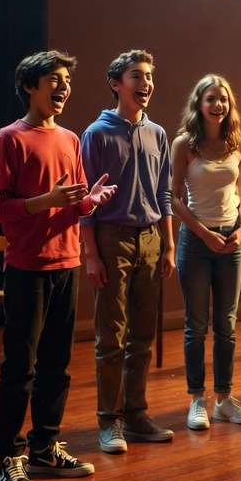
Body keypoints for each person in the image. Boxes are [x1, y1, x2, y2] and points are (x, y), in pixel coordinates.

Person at [0, 50, 116, 481]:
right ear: (29, 86)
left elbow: (72, 203)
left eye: (66, 81)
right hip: (26, 268)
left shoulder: (70, 138)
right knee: (19, 366)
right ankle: (9, 455)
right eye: (53, 81)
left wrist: (90, 202)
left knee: (57, 366)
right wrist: (48, 200)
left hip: (67, 263)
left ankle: (44, 445)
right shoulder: (10, 138)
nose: (62, 88)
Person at [81, 49, 176, 455]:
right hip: (111, 239)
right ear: (116, 83)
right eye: (137, 75)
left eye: (150, 76)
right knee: (111, 338)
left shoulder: (158, 134)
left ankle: (136, 415)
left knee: (143, 336)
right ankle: (110, 422)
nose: (146, 83)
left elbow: (164, 192)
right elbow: (85, 200)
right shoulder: (96, 134)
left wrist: (169, 243)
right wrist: (91, 254)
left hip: (151, 239)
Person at [169, 74, 241, 430]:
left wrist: (240, 230)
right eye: (210, 99)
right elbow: (173, 199)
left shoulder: (239, 144)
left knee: (228, 326)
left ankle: (223, 399)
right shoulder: (184, 144)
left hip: (230, 240)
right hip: (196, 240)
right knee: (196, 326)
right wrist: (204, 234)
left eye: (223, 99)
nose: (217, 105)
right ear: (199, 104)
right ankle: (197, 401)